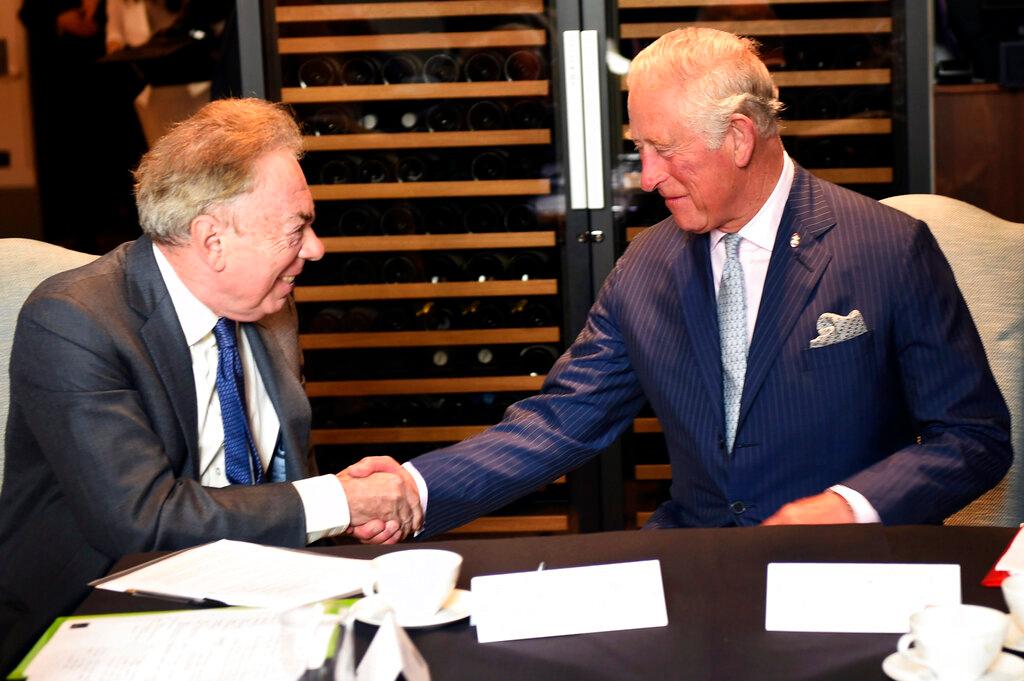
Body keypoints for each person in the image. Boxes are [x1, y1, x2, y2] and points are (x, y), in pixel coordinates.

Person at [349, 27, 1011, 539]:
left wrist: (851, 506)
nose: (647, 177)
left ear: (741, 138)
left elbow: (973, 437)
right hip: (696, 559)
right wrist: (415, 485)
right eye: (642, 149)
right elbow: (561, 421)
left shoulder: (888, 247)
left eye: (665, 150)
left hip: (847, 570)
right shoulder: (647, 266)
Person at [0, 98, 420, 672]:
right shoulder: (72, 321)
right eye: (298, 227)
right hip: (98, 612)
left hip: (258, 600)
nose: (316, 248)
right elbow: (141, 521)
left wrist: (343, 501)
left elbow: (281, 477)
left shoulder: (270, 306)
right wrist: (338, 501)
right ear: (212, 239)